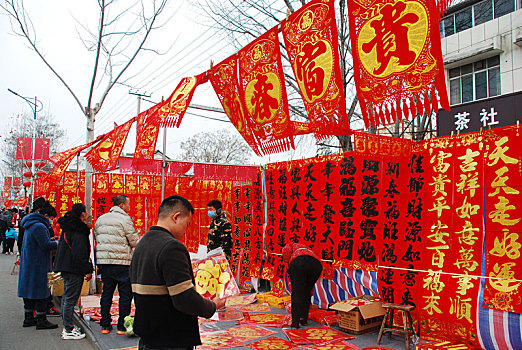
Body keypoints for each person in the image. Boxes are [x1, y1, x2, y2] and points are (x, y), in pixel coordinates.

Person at [130, 195, 225, 350]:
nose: (185, 231)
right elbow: (184, 298)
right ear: (176, 217)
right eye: (186, 224)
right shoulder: (171, 247)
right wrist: (212, 307)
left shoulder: (142, 243)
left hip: (149, 334)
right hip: (170, 336)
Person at [94, 194, 139, 335]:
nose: (129, 207)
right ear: (121, 205)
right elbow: (134, 241)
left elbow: (97, 238)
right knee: (125, 295)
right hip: (122, 263)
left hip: (104, 262)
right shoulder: (125, 219)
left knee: (107, 292)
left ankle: (105, 325)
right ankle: (121, 326)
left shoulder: (100, 219)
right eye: (128, 204)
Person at [54, 203, 93, 340]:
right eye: (86, 212)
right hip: (73, 268)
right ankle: (68, 329)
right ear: (82, 214)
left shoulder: (69, 227)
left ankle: (68, 325)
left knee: (67, 297)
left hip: (67, 266)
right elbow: (79, 253)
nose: (88, 214)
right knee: (70, 298)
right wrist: (87, 269)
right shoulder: (78, 230)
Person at [17, 202, 59, 330]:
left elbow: (40, 242)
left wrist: (51, 240)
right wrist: (58, 242)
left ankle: (29, 317)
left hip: (30, 262)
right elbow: (45, 245)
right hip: (38, 264)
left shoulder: (30, 224)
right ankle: (41, 320)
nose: (51, 221)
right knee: (41, 291)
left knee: (29, 290)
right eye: (51, 218)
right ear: (46, 215)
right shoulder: (39, 226)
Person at [282, 242, 323, 329]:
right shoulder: (307, 248)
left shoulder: (291, 245)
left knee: (297, 292)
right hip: (316, 265)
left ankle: (295, 322)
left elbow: (286, 252)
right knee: (307, 291)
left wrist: (288, 264)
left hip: (298, 263)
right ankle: (303, 318)